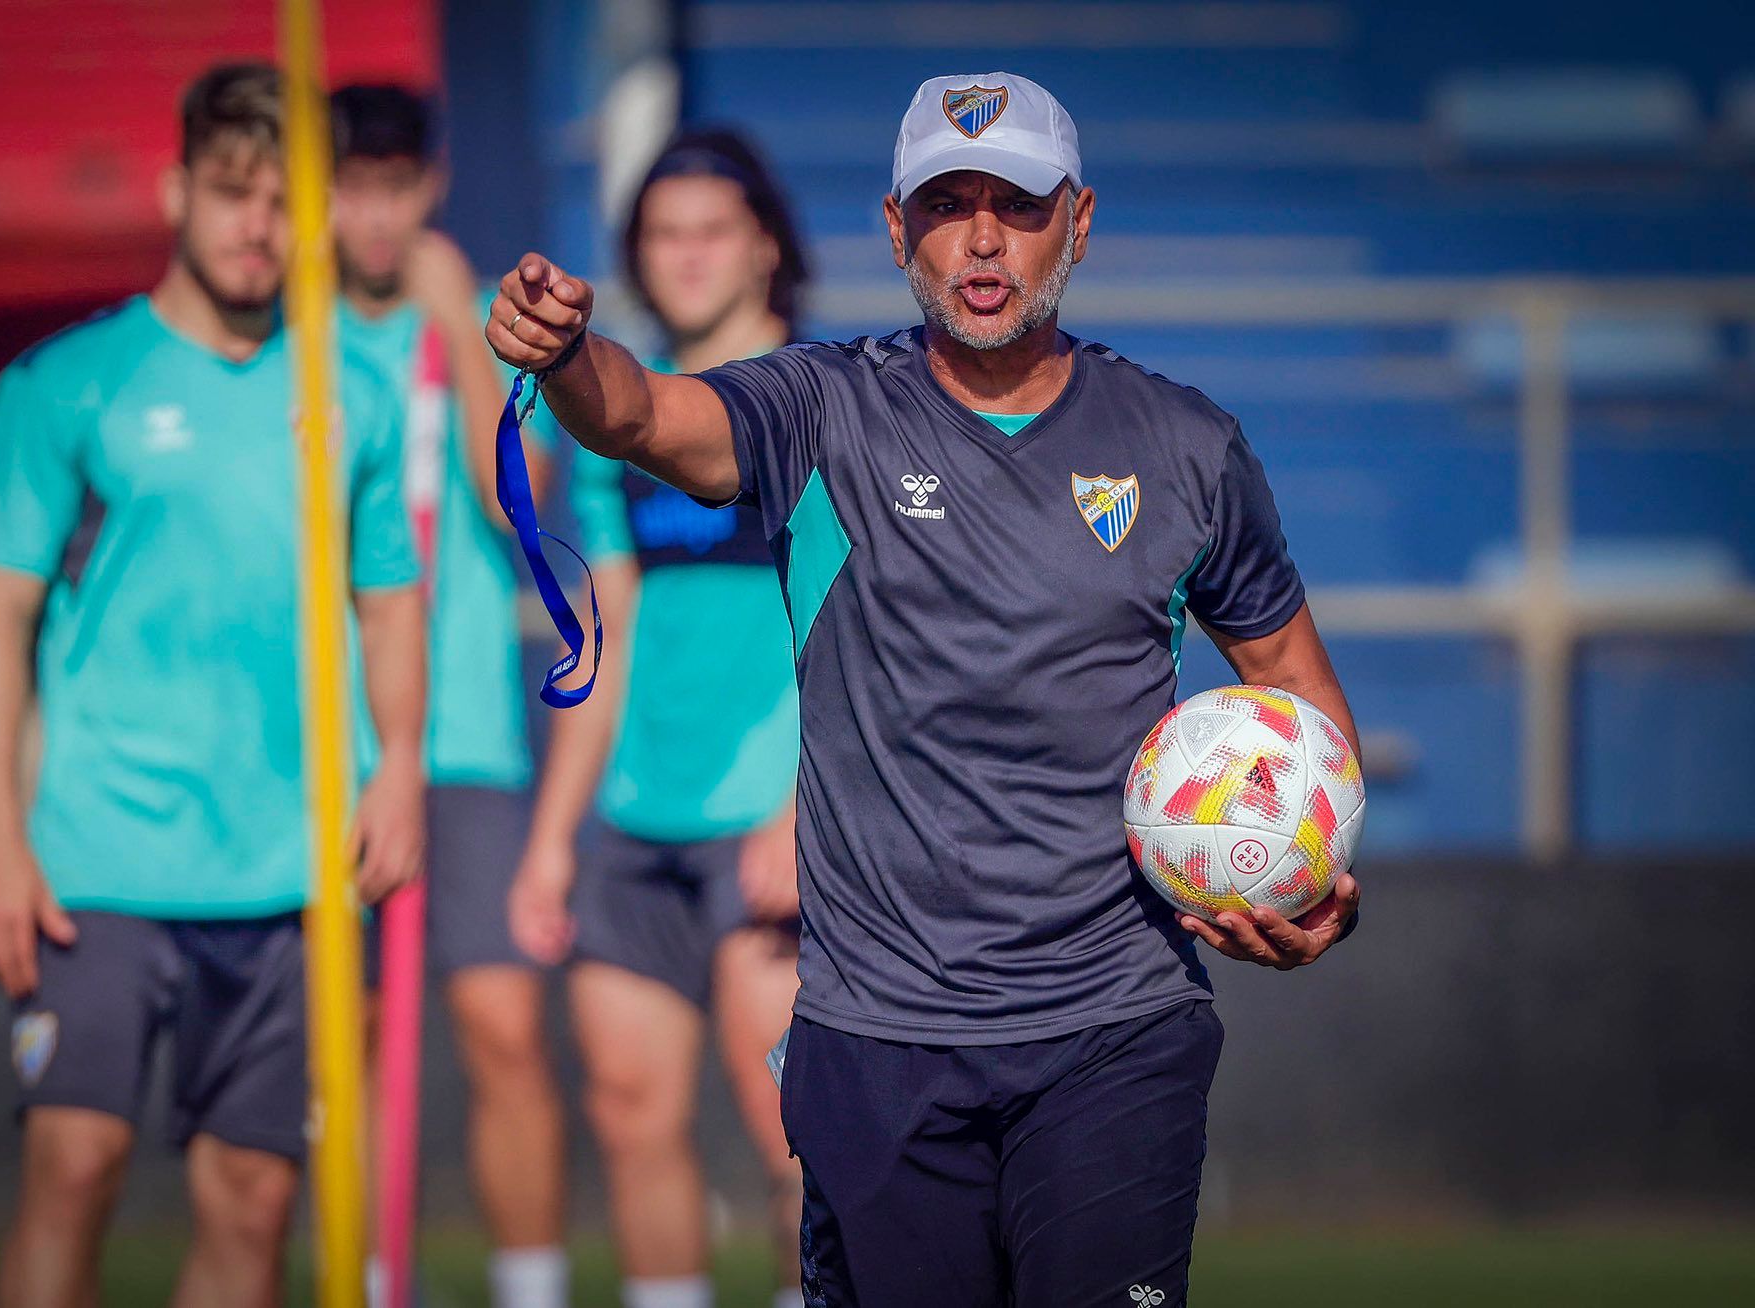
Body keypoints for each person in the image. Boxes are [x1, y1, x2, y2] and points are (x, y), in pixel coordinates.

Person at [486, 73, 1364, 1308]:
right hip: (876, 1042)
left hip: (1115, 1030)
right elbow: (641, 415)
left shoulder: (1185, 447)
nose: (983, 236)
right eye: (945, 205)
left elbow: (1293, 691)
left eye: (1015, 201)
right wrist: (568, 355)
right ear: (895, 233)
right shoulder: (818, 412)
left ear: (1079, 219)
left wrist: (1309, 870)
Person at [0, 63, 426, 1308]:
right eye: (230, 193)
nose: (255, 226)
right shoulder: (65, 385)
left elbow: (388, 601)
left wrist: (402, 773)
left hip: (290, 872)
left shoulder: (352, 395)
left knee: (254, 1204)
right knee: (74, 1161)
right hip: (100, 861)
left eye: (279, 199)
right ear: (175, 193)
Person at [508, 130, 807, 1308]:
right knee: (630, 1115)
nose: (684, 257)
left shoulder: (819, 405)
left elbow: (864, 636)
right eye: (660, 236)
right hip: (635, 822)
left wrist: (803, 810)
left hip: (772, 829)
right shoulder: (613, 427)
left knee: (799, 1133)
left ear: (763, 247)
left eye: (708, 231)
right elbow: (604, 640)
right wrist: (549, 840)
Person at [326, 81, 569, 1308]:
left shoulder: (483, 321)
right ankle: (365, 1282)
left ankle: (529, 1287)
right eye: (349, 189)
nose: (373, 216)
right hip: (324, 745)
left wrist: (460, 329)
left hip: (465, 744)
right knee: (349, 1044)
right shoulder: (288, 328)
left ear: (429, 185)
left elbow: (519, 504)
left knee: (503, 1034)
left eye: (392, 187)